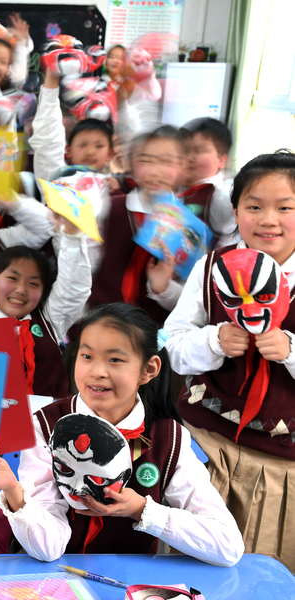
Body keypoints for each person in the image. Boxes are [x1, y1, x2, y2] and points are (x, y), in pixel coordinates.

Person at [0, 303, 244, 566]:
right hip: (55, 581)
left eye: (114, 359)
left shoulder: (170, 438)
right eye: (87, 356)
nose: (97, 371)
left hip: (130, 586)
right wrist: (13, 490)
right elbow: (48, 548)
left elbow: (227, 546)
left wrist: (141, 510)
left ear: (149, 369)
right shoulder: (46, 425)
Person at [164, 151, 295, 571]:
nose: (268, 219)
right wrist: (214, 340)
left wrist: (290, 350)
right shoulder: (210, 269)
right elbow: (173, 344)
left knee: (263, 572)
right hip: (206, 447)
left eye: (285, 208)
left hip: (281, 467)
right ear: (235, 211)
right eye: (254, 206)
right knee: (188, 568)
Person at [0, 226, 92, 398]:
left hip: (47, 422)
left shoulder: (50, 321)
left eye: (33, 283)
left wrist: (72, 236)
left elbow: (74, 288)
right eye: (12, 279)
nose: (21, 290)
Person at [88, 126, 187, 324]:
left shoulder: (187, 225)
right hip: (100, 321)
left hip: (151, 334)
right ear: (131, 164)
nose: (155, 170)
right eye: (146, 160)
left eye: (166, 161)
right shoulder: (108, 206)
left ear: (182, 166)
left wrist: (163, 287)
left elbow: (189, 301)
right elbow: (85, 267)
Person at [30, 69, 116, 181]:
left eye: (99, 146)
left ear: (110, 154)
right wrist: (52, 75)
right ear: (69, 150)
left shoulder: (112, 186)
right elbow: (48, 140)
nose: (90, 152)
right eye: (82, 145)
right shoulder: (57, 178)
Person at [179, 117, 236, 246]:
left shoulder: (221, 196)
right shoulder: (175, 189)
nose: (190, 157)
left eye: (199, 151)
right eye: (184, 150)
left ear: (221, 160)